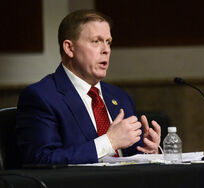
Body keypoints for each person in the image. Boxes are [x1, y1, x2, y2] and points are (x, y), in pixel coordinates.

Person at [16, 9, 161, 164]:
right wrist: (108, 142)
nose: (106, 50)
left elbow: (131, 156)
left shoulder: (120, 97)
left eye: (108, 42)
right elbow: (42, 159)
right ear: (69, 48)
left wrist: (150, 152)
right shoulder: (42, 97)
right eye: (96, 41)